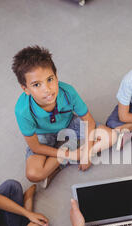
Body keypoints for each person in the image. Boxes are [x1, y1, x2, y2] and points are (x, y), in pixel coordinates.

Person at [12, 45, 117, 187]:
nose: (47, 89)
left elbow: (89, 122)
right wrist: (74, 155)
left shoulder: (68, 92)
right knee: (34, 174)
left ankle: (61, 164)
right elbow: (36, 147)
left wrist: (86, 153)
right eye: (37, 85)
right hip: (43, 135)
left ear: (56, 76)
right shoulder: (22, 110)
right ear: (25, 89)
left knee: (111, 136)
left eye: (50, 79)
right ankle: (70, 153)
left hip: (69, 124)